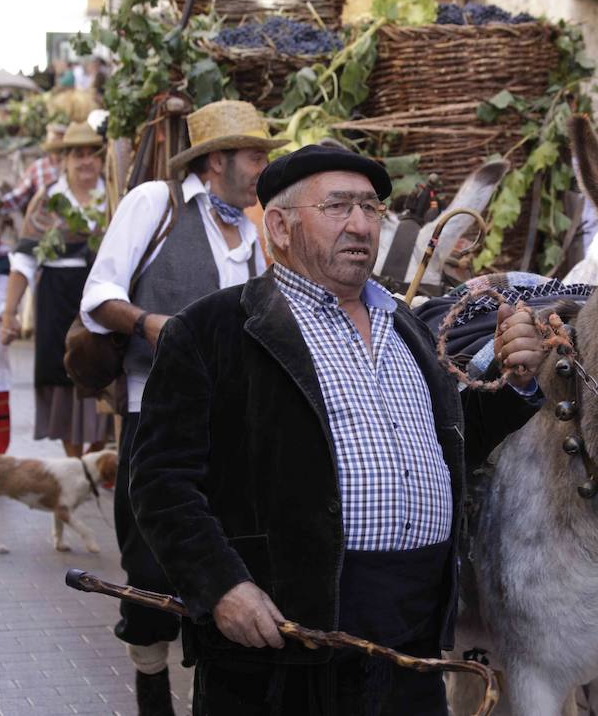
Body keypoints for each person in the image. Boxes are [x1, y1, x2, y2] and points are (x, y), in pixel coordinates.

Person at [129, 145, 547, 716]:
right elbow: (161, 482)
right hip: (284, 647)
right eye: (338, 206)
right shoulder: (212, 332)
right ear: (278, 226)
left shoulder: (408, 327)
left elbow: (451, 441)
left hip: (413, 643)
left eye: (371, 208)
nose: (360, 225)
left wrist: (515, 381)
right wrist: (222, 586)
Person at [79, 100, 286, 716]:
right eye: (255, 156)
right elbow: (99, 294)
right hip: (154, 410)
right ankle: (149, 684)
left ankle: (211, 682)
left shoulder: (251, 231)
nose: (263, 168)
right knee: (148, 558)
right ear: (218, 160)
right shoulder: (155, 203)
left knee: (220, 549)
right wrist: (151, 325)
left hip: (230, 419)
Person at [0, 121, 108, 459]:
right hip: (57, 300)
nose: (86, 161)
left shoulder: (115, 196)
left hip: (103, 300)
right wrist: (10, 311)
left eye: (93, 154)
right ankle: (74, 463)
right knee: (62, 377)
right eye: (78, 154)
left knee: (104, 374)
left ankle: (98, 455)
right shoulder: (49, 200)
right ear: (65, 160)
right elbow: (25, 258)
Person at [0, 121, 66, 213]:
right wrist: (1, 204)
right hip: (46, 221)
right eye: (54, 143)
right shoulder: (38, 167)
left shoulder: (74, 167)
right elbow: (19, 196)